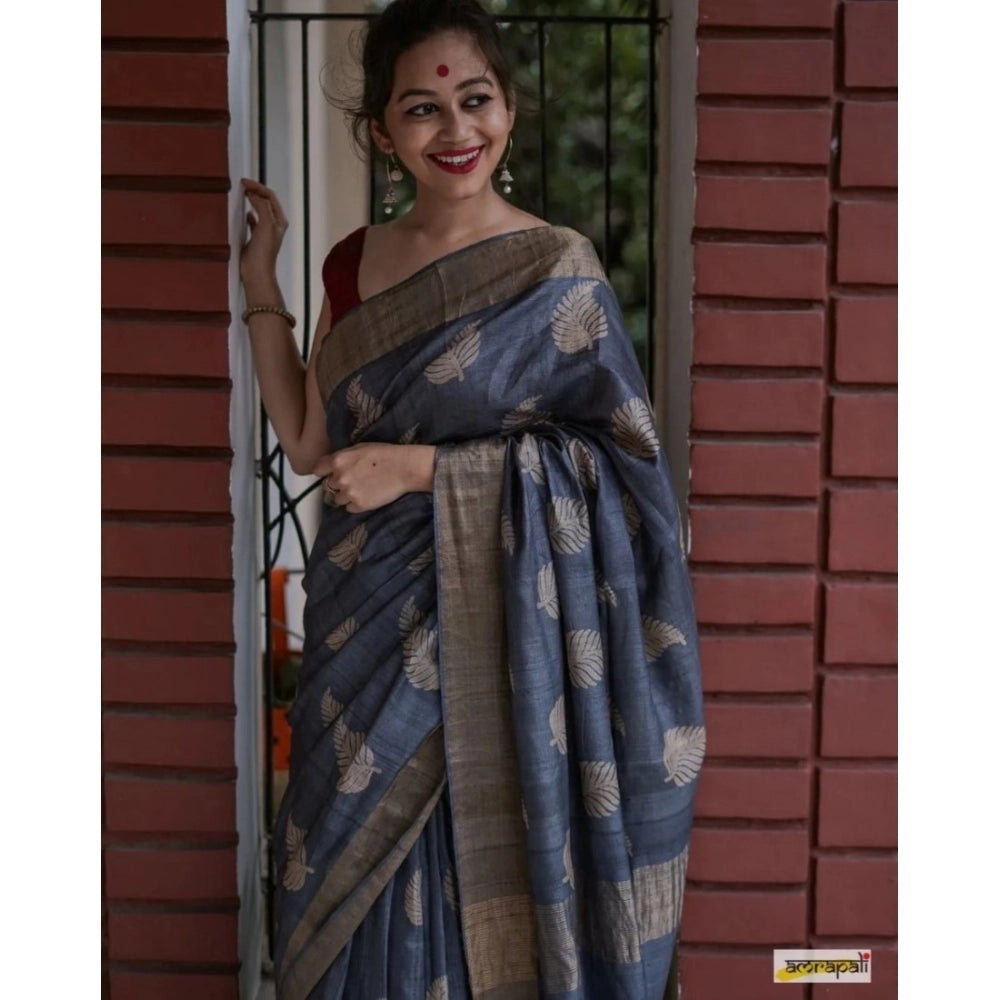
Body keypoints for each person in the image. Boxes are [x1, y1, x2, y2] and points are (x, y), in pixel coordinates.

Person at [239, 1, 704, 997]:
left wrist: (424, 472)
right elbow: (313, 440)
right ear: (380, 131)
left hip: (501, 632)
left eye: (475, 99)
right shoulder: (354, 262)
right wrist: (260, 281)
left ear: (510, 109)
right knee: (341, 861)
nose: (455, 129)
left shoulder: (556, 273)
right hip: (365, 627)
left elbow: (620, 471)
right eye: (422, 107)